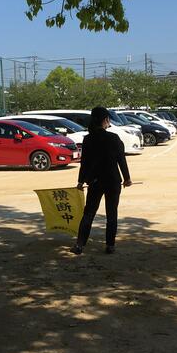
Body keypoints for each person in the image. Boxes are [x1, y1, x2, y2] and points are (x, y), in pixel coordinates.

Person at [71, 106, 133, 255]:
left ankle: (79, 244)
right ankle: (110, 245)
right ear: (106, 120)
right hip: (113, 181)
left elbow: (84, 163)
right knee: (112, 214)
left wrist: (80, 181)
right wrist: (127, 178)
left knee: (88, 213)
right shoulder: (114, 138)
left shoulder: (88, 139)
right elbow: (121, 160)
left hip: (95, 181)